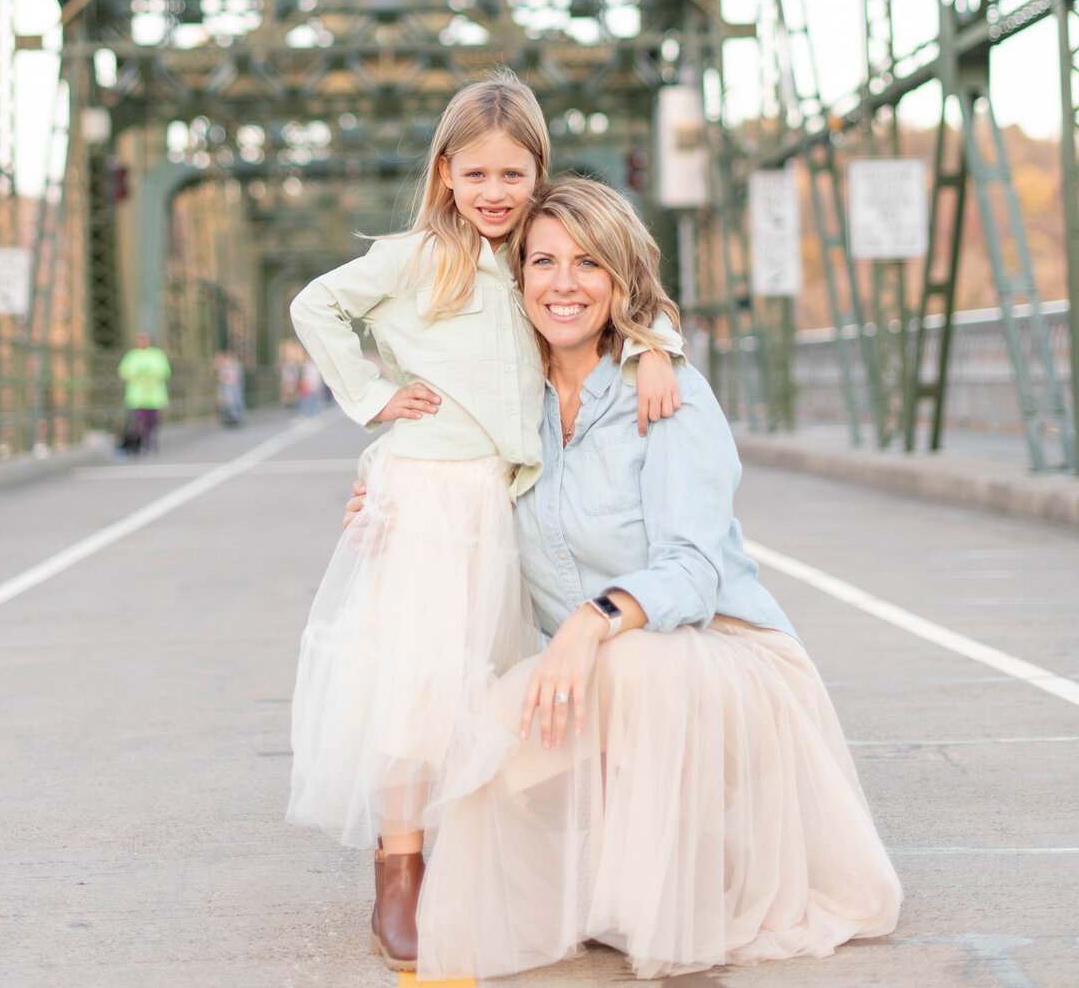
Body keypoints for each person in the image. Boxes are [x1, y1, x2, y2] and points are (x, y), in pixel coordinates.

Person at [347, 177, 902, 981]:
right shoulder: (505, 406)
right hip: (594, 670)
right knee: (480, 758)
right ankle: (614, 866)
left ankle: (673, 879)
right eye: (543, 263)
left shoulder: (668, 394)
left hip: (722, 663)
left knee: (635, 660)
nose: (563, 284)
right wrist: (386, 498)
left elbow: (695, 569)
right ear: (519, 279)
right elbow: (445, 485)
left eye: (589, 264)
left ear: (621, 280)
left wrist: (590, 622)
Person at [286, 75, 682, 971]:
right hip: (428, 492)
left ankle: (487, 856)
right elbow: (317, 305)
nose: (495, 192)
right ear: (445, 172)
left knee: (486, 681)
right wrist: (375, 398)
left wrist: (658, 349)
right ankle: (399, 873)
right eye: (476, 173)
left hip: (498, 498)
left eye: (514, 172)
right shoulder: (419, 253)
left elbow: (624, 293)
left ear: (539, 171)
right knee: (417, 686)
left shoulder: (540, 252)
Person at [117, 333, 171, 453]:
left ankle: (151, 442)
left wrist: (150, 376)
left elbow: (165, 371)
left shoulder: (157, 354)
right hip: (137, 395)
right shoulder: (132, 355)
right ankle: (141, 443)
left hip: (154, 395)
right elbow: (123, 371)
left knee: (153, 420)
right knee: (139, 421)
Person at [214, 349, 247, 426]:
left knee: (236, 401)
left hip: (234, 384)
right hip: (226, 385)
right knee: (227, 402)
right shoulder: (222, 364)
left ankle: (237, 417)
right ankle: (230, 418)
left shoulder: (235, 364)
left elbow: (238, 375)